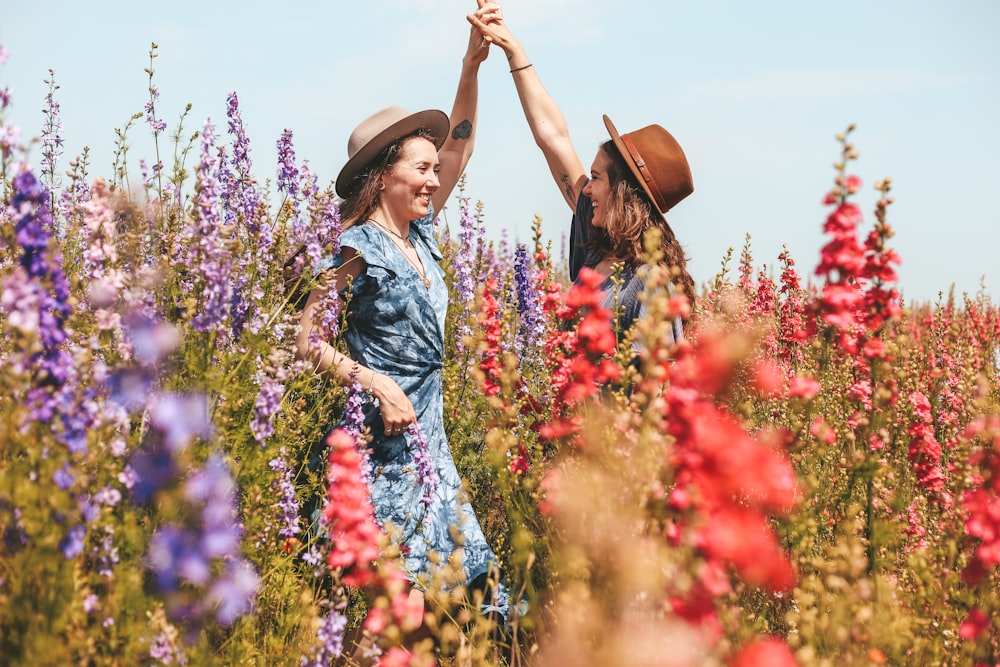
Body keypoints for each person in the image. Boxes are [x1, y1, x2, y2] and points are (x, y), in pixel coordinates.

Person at [295, 0, 508, 634]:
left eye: (431, 171)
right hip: (379, 451)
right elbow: (303, 339)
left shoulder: (424, 235)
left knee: (477, 602)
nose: (432, 178)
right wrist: (378, 382)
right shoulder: (356, 247)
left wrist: (472, 65)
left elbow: (460, 143)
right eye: (420, 168)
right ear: (385, 175)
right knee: (397, 617)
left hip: (430, 450)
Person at [469, 9, 696, 346]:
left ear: (624, 195)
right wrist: (513, 50)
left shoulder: (651, 285)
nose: (585, 189)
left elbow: (659, 389)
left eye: (595, 178)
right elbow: (554, 140)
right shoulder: (596, 247)